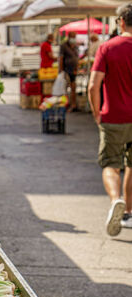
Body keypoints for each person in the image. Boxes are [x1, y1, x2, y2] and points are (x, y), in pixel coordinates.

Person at [88, 3, 132, 236]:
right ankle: (128, 213)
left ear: (121, 22)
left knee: (110, 164)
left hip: (113, 116)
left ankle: (116, 200)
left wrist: (97, 112)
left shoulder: (107, 47)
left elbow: (94, 85)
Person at [60, 32, 79, 111]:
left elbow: (76, 58)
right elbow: (61, 58)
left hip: (73, 70)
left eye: (74, 37)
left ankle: (73, 105)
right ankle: (65, 105)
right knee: (64, 88)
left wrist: (76, 68)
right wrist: (61, 71)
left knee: (73, 88)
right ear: (69, 37)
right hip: (66, 70)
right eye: (72, 37)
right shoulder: (64, 46)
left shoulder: (75, 46)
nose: (73, 38)